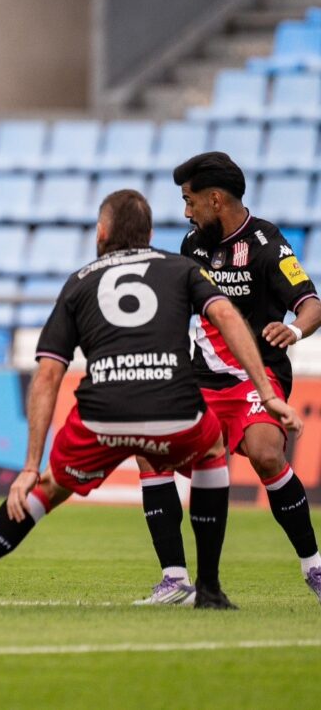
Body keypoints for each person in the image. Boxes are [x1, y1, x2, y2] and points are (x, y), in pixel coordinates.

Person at [0, 190, 302, 610]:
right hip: (174, 411)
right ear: (150, 234)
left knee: (45, 489)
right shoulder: (181, 268)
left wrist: (29, 466)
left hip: (102, 417)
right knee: (211, 449)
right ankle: (208, 587)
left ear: (101, 232)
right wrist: (266, 392)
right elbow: (226, 316)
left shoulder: (80, 281)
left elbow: (48, 374)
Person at [136, 152, 321, 606]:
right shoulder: (192, 246)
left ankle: (314, 568)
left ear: (215, 199)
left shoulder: (267, 244)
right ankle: (175, 580)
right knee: (149, 452)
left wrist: (295, 329)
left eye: (190, 201)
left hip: (255, 381)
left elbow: (312, 303)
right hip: (202, 382)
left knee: (265, 453)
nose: (186, 212)